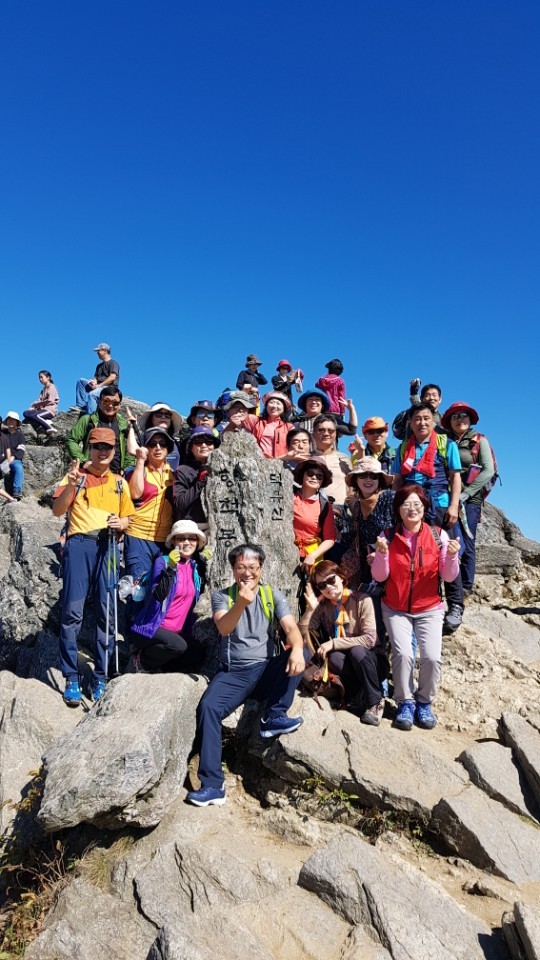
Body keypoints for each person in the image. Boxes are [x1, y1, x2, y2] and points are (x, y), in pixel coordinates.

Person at [187, 543, 305, 807]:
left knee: (301, 652)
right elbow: (224, 628)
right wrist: (241, 602)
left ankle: (273, 716)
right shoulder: (223, 596)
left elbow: (290, 628)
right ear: (233, 569)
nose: (247, 572)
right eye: (241, 567)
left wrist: (297, 648)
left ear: (261, 569)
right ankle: (213, 784)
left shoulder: (272, 595)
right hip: (234, 673)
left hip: (264, 669)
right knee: (208, 708)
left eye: (253, 567)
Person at [52, 428, 135, 705]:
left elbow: (128, 519)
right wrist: (72, 485)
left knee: (107, 613)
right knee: (72, 612)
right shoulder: (75, 476)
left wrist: (120, 523)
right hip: (79, 545)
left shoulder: (120, 483)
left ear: (114, 451)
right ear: (89, 448)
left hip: (109, 546)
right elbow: (57, 510)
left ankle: (100, 675)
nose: (102, 451)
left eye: (107, 447)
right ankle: (71, 676)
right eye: (97, 446)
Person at [371, 485, 460, 731]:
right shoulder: (387, 535)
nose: (412, 509)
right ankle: (405, 702)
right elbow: (379, 576)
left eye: (417, 505)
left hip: (430, 607)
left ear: (424, 508)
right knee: (403, 655)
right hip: (395, 607)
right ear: (398, 509)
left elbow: (449, 576)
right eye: (406, 505)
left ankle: (424, 702)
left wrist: (452, 556)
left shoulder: (438, 535)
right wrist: (381, 554)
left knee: (432, 657)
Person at [391, 402, 464, 633]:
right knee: (417, 554)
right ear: (410, 423)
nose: (421, 422)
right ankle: (422, 601)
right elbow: (398, 480)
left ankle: (455, 605)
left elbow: (455, 477)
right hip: (412, 507)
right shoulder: (403, 448)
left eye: (426, 418)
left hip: (440, 505)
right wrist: (397, 507)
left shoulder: (446, 444)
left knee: (448, 552)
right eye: (417, 419)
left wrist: (454, 506)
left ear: (433, 421)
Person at [300, 561, 383, 725]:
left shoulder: (361, 599)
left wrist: (333, 643)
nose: (328, 587)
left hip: (373, 661)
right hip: (348, 663)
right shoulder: (324, 606)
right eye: (322, 585)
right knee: (335, 658)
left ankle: (375, 702)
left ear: (341, 577)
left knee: (356, 651)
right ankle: (355, 695)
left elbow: (370, 639)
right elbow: (302, 631)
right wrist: (310, 609)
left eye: (331, 580)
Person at [130, 520, 206, 673]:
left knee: (197, 652)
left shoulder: (194, 567)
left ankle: (161, 667)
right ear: (173, 542)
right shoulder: (162, 562)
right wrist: (171, 568)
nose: (187, 542)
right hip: (152, 627)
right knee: (178, 646)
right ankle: (142, 661)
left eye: (192, 538)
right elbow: (158, 595)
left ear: (197, 542)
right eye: (181, 538)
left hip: (176, 632)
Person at [440, 402, 495, 597]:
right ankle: (449, 580)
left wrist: (467, 493)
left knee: (467, 539)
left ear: (470, 419)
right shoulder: (446, 441)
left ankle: (465, 586)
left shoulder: (479, 440)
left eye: (463, 415)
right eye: (454, 417)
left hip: (470, 499)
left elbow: (488, 470)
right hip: (448, 496)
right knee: (448, 538)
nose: (459, 419)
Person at [124, 427, 175, 589]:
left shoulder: (174, 474)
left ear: (168, 448)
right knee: (138, 591)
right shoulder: (139, 470)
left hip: (164, 540)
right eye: (152, 444)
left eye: (163, 443)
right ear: (145, 448)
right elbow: (134, 493)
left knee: (160, 591)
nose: (158, 447)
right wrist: (140, 461)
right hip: (138, 536)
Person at [66, 386, 136, 475]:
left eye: (115, 403)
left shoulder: (123, 424)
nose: (110, 406)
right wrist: (83, 461)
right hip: (91, 473)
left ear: (119, 405)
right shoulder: (87, 420)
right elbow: (71, 440)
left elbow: (130, 448)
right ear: (99, 402)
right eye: (106, 401)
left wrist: (126, 468)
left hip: (116, 475)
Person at [292, 458, 337, 571]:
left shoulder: (325, 506)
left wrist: (313, 555)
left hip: (311, 557)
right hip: (286, 549)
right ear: (302, 475)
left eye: (319, 476)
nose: (314, 477)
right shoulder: (289, 494)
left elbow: (330, 539)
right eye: (310, 473)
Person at [173, 426, 220, 528]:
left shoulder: (223, 469)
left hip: (219, 526)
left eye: (209, 442)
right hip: (193, 528)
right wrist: (199, 483)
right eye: (198, 442)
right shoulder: (182, 471)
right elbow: (179, 504)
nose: (204, 445)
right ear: (191, 448)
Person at [127, 403, 183, 470]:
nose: (163, 417)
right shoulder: (144, 438)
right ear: (151, 418)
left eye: (167, 415)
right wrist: (132, 427)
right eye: (158, 414)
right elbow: (133, 450)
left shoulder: (174, 441)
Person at [311, 414, 352, 506]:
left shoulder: (344, 459)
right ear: (313, 434)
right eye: (321, 430)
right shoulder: (305, 459)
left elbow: (351, 490)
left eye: (330, 430)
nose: (326, 433)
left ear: (335, 434)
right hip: (311, 511)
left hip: (339, 511)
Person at [72, 343, 120, 415]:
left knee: (92, 394)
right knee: (81, 381)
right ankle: (81, 406)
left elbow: (112, 377)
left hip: (109, 388)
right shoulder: (99, 366)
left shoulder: (113, 363)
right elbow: (95, 378)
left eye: (99, 351)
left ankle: (91, 416)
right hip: (99, 386)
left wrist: (99, 386)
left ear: (105, 351)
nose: (97, 353)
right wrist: (93, 382)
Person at [244, 392, 293, 459]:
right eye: (271, 402)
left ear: (284, 408)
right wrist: (247, 393)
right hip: (258, 462)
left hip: (282, 463)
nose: (274, 406)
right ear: (266, 406)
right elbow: (241, 414)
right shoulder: (255, 421)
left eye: (278, 403)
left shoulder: (289, 427)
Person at [293, 389, 358, 438]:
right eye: (310, 399)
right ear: (305, 404)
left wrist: (351, 409)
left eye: (317, 400)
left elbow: (351, 430)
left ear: (322, 405)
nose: (314, 402)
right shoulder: (297, 422)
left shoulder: (331, 419)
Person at [23, 370, 60, 437]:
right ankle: (44, 420)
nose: (40, 379)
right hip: (41, 410)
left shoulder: (52, 387)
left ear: (48, 377)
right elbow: (38, 401)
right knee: (26, 413)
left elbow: (50, 401)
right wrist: (33, 407)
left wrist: (37, 404)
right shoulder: (43, 390)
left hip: (49, 410)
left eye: (41, 377)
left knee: (35, 416)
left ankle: (49, 427)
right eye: (39, 378)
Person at [2, 412, 26, 500]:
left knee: (19, 468)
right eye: (9, 420)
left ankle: (17, 492)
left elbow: (21, 450)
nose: (10, 421)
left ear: (17, 422)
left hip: (14, 460)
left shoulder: (20, 435)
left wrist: (13, 457)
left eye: (13, 420)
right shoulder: (2, 433)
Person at [0, 419, 16, 504]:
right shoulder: (4, 436)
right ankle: (11, 499)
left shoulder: (4, 437)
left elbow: (8, 451)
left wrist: (8, 463)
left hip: (2, 465)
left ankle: (11, 499)